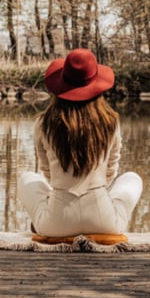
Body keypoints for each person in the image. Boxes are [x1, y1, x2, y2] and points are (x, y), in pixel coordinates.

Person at [17, 48, 143, 237]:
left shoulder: (43, 123)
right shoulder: (111, 122)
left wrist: (63, 189)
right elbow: (110, 170)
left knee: (27, 178)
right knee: (132, 178)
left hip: (56, 225)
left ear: (60, 86)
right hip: (104, 223)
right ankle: (111, 217)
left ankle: (42, 219)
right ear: (97, 87)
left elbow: (47, 173)